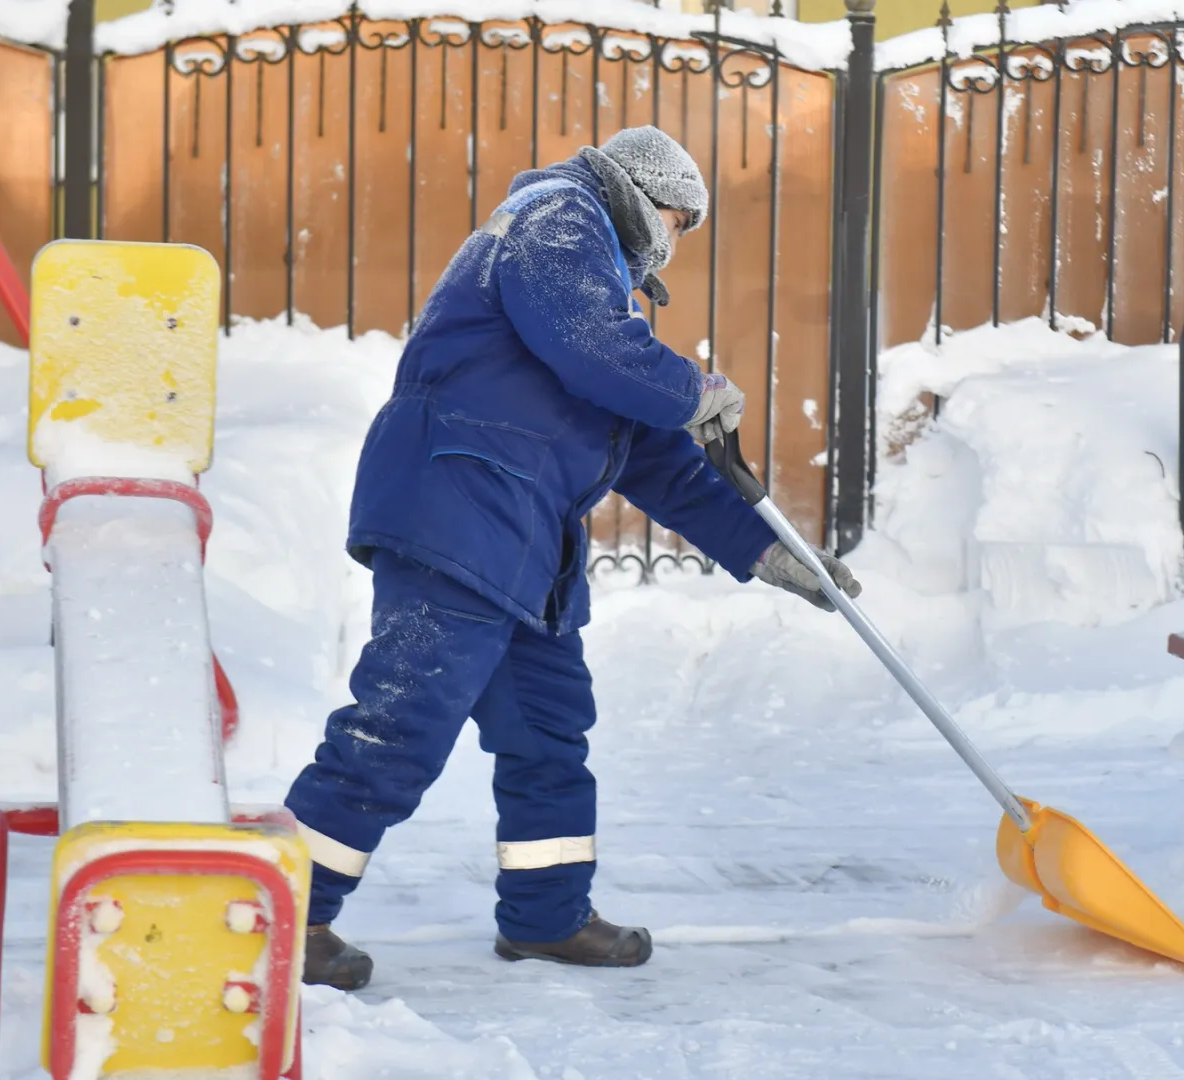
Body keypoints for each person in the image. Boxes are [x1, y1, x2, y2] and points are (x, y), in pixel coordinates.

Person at [284, 126, 861, 989]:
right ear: (641, 193)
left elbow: (660, 460)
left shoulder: (600, 300)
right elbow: (602, 351)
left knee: (549, 734)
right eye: (675, 216)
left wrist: (771, 554)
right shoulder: (554, 216)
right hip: (457, 511)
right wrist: (689, 387)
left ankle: (547, 919)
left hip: (522, 545)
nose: (675, 236)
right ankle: (281, 913)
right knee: (399, 725)